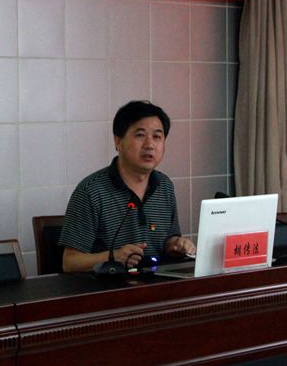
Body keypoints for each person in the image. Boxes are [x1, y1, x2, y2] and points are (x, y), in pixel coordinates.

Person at [59, 100, 196, 273]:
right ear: (118, 141)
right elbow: (70, 262)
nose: (149, 145)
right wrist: (112, 257)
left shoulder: (164, 186)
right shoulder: (91, 191)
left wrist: (176, 244)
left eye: (157, 137)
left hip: (157, 284)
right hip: (108, 287)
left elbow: (167, 241)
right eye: (140, 135)